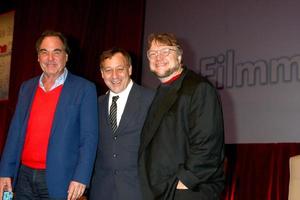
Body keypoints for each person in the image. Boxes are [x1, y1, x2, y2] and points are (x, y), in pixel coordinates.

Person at [0, 30, 98, 200]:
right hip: (22, 177)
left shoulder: (84, 88)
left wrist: (81, 177)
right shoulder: (27, 87)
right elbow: (14, 132)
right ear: (38, 57)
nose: (50, 58)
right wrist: (5, 172)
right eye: (44, 52)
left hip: (61, 180)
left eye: (56, 52)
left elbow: (89, 139)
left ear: (66, 56)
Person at [138, 33, 225, 200]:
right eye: (153, 53)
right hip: (162, 190)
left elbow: (208, 146)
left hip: (187, 191)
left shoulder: (199, 88)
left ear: (179, 56)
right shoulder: (159, 92)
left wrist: (184, 181)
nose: (158, 57)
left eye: (165, 51)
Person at [89, 48, 154, 200]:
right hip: (101, 191)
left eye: (120, 69)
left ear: (130, 69)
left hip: (138, 191)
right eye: (108, 70)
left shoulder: (151, 100)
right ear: (102, 73)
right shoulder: (95, 105)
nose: (114, 76)